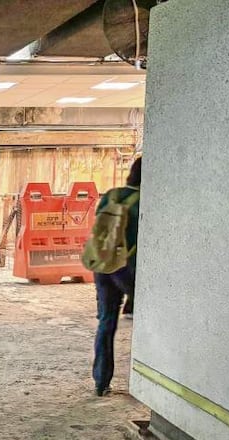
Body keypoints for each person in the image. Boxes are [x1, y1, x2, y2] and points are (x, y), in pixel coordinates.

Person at [93, 156, 142, 397]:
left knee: (106, 322)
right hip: (129, 268)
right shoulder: (143, 201)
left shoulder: (110, 195)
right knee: (150, 322)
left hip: (103, 265)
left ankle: (101, 381)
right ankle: (146, 380)